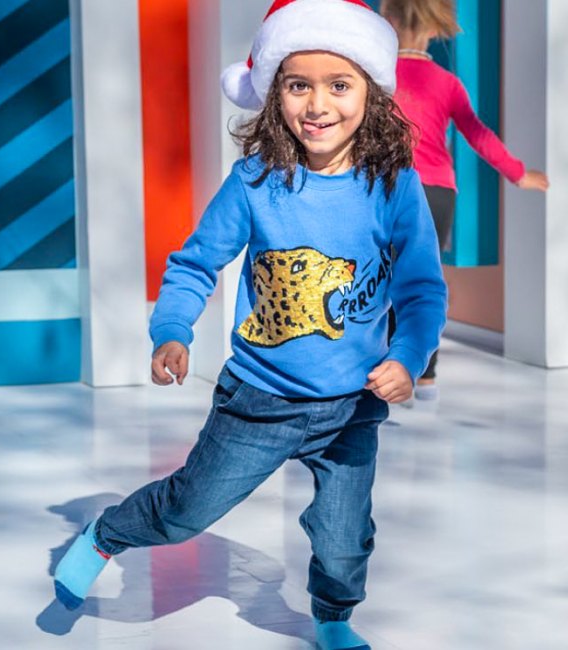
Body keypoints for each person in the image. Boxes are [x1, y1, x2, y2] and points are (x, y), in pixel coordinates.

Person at [51, 1, 447, 648]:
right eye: (299, 85)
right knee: (184, 512)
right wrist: (172, 330)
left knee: (345, 538)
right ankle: (107, 534)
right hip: (258, 400)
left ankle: (333, 617)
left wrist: (407, 355)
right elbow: (195, 263)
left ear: (371, 95)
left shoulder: (394, 185)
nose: (318, 104)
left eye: (338, 85)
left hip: (352, 405)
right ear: (273, 95)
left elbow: (421, 287)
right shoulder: (255, 182)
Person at [380, 0, 549, 401]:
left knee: (381, 277)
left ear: (387, 19)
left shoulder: (375, 78)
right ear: (436, 30)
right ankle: (425, 374)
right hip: (437, 192)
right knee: (423, 281)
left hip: (385, 187)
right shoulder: (446, 82)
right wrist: (519, 173)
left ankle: (386, 367)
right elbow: (478, 135)